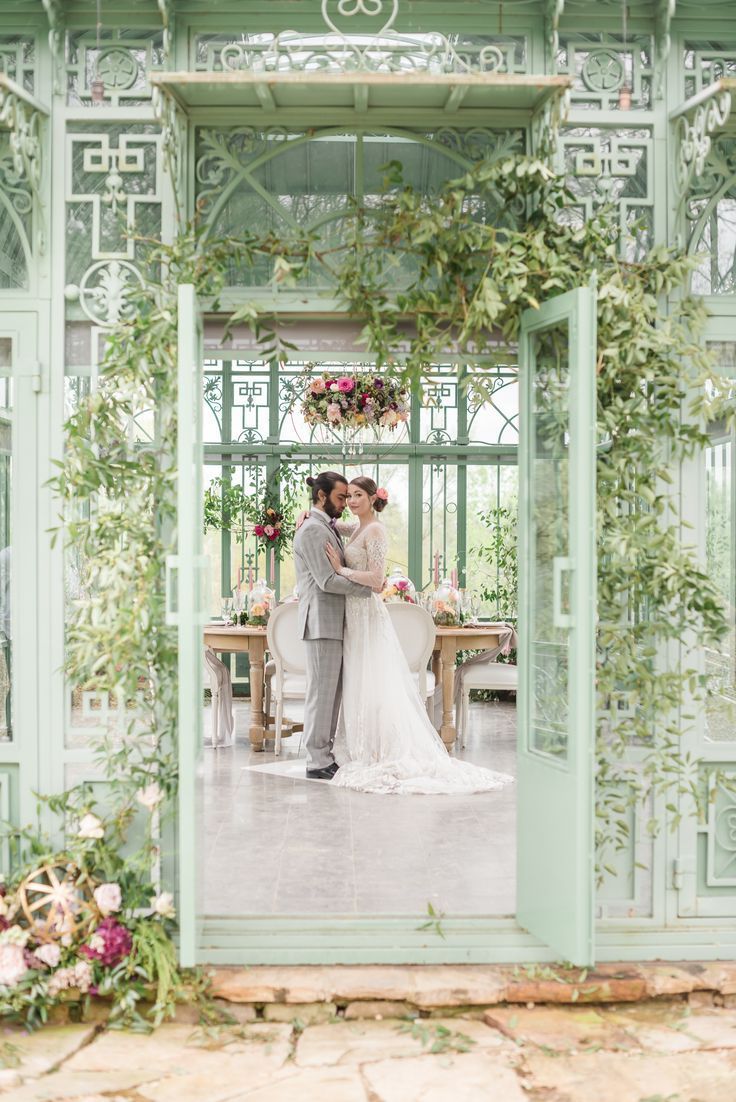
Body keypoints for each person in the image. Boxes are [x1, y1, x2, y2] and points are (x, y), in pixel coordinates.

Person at [303, 475, 514, 795]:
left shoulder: (374, 529)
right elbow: (329, 527)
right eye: (347, 496)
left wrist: (343, 570)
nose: (350, 502)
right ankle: (350, 749)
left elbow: (376, 581)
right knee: (355, 683)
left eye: (357, 495)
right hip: (346, 619)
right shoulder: (350, 527)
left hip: (364, 614)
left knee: (372, 680)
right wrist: (305, 514)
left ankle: (376, 748)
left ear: (373, 498)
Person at [292, 472, 375, 780]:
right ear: (322, 496)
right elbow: (326, 580)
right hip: (320, 623)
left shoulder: (324, 525)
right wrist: (369, 589)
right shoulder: (313, 530)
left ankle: (325, 756)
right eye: (341, 497)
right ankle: (316, 761)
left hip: (332, 623)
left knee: (331, 694)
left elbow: (366, 526)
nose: (345, 504)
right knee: (321, 694)